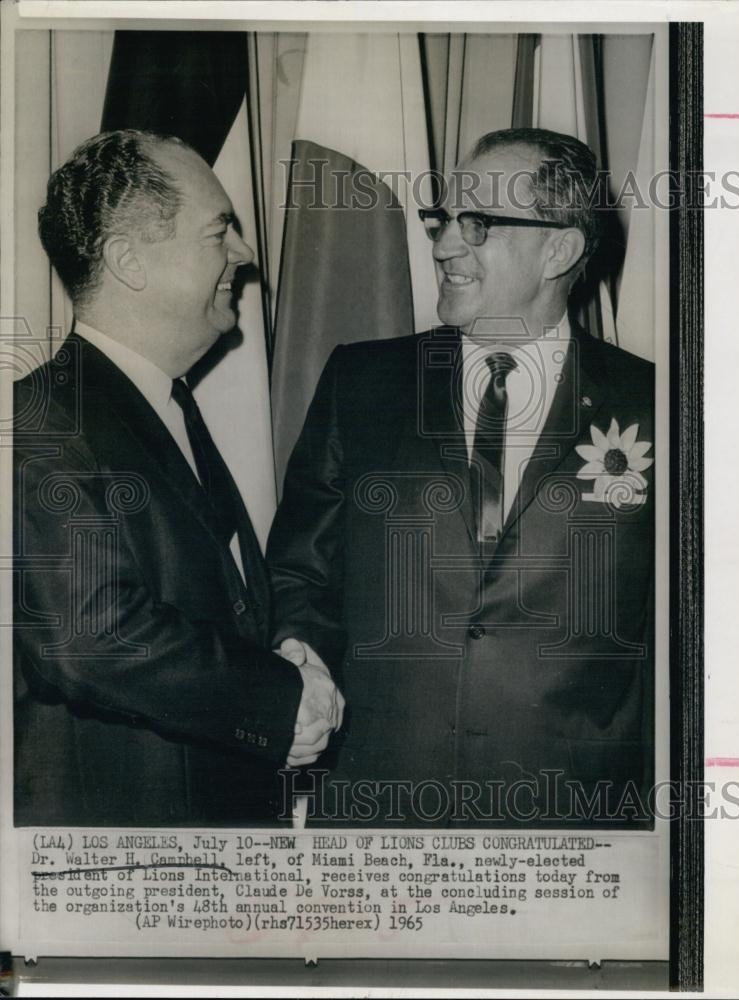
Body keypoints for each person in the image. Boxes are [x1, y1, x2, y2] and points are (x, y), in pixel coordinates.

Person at [267, 128, 654, 827]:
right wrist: (302, 659)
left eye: (476, 224)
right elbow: (300, 572)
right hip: (378, 806)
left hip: (574, 819)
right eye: (442, 220)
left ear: (558, 250)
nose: (444, 245)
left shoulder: (662, 405)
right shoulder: (362, 382)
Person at [13, 129, 343, 827]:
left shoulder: (163, 404)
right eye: (218, 231)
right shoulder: (44, 421)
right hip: (123, 857)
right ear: (129, 261)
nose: (244, 255)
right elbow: (90, 637)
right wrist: (280, 701)